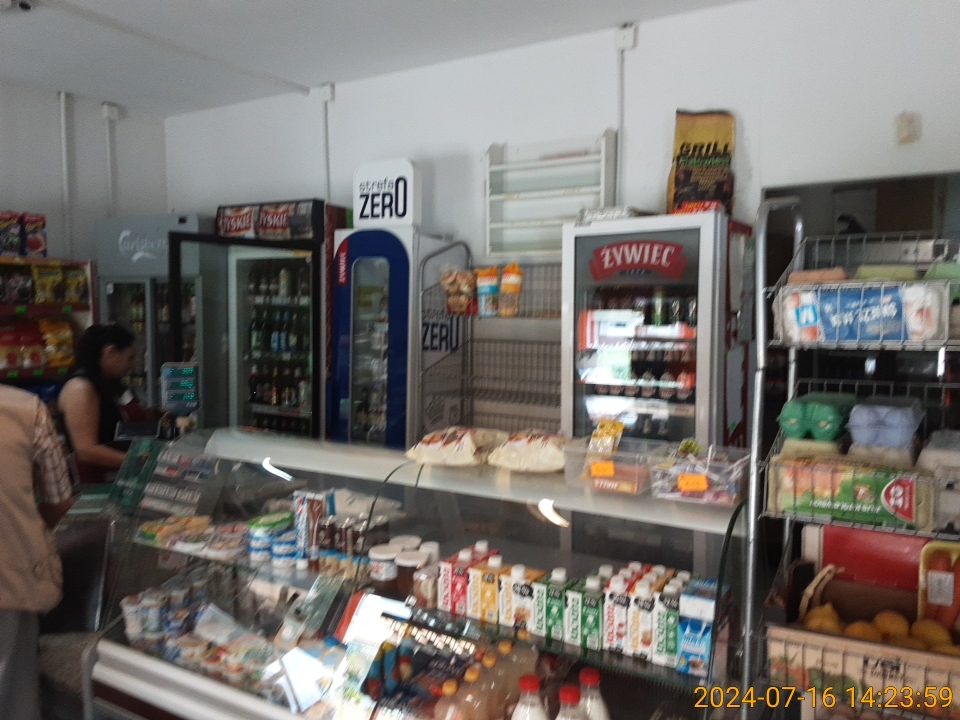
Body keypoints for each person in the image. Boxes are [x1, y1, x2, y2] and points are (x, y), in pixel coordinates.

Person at [0, 384, 74, 720]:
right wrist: (24, 528)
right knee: (15, 696)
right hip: (11, 579)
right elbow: (59, 501)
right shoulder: (26, 409)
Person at [59, 324, 144, 485]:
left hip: (111, 477)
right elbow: (86, 450)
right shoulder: (80, 388)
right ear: (110, 352)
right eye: (130, 358)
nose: (132, 366)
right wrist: (139, 462)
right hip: (91, 483)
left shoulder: (105, 383)